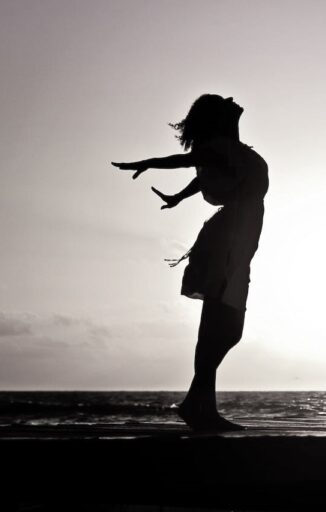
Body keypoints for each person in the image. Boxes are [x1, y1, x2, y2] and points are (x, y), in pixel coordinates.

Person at [112, 94, 268, 431]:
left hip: (235, 243)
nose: (232, 99)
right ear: (217, 118)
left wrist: (178, 197)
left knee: (226, 328)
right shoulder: (219, 148)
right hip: (227, 242)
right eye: (224, 102)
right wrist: (148, 163)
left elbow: (201, 176)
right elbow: (184, 161)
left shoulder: (231, 152)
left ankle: (197, 404)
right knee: (221, 325)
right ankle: (200, 407)